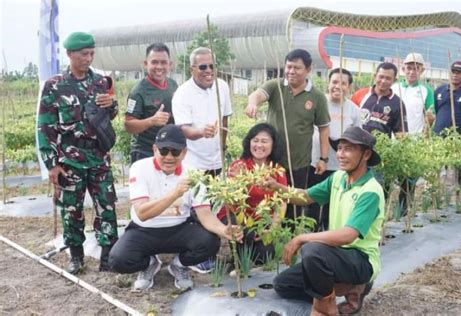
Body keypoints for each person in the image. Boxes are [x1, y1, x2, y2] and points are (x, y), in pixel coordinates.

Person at [264, 126, 385, 315]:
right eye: (340, 149)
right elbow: (304, 197)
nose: (341, 155)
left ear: (366, 154)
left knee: (312, 250)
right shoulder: (338, 178)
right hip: (335, 255)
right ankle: (350, 289)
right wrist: (276, 187)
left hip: (361, 259)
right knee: (284, 284)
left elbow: (348, 235)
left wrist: (302, 238)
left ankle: (326, 306)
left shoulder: (370, 191)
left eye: (349, 149)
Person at [108, 125, 242, 291]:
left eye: (175, 152)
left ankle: (179, 265)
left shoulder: (193, 173)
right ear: (155, 149)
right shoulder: (140, 168)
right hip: (144, 230)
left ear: (184, 153)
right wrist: (175, 193)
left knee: (210, 242)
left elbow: (205, 214)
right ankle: (150, 263)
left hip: (178, 229)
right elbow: (142, 213)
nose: (169, 157)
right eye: (163, 151)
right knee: (118, 260)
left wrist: (224, 230)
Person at [37, 32, 118, 274]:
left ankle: (107, 256)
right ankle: (76, 256)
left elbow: (107, 118)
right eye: (84, 54)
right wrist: (52, 164)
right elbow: (46, 126)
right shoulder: (55, 86)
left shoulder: (102, 82)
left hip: (99, 157)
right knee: (72, 209)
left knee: (107, 205)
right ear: (70, 54)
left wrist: (111, 106)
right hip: (71, 159)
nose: (89, 58)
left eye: (92, 53)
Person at [245, 49, 330, 221]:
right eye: (288, 67)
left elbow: (323, 128)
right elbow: (257, 95)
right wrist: (252, 104)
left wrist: (323, 158)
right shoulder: (275, 86)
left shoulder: (317, 97)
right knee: (267, 201)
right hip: (271, 161)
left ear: (308, 70)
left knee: (292, 204)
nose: (291, 71)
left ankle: (289, 240)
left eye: (297, 68)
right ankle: (265, 240)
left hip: (298, 163)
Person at [216, 123, 287, 264]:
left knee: (265, 256)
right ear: (249, 143)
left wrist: (272, 229)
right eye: (255, 140)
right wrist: (238, 181)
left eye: (264, 141)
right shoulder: (239, 166)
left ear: (273, 145)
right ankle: (237, 262)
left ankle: (249, 252)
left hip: (261, 221)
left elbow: (282, 201)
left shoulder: (277, 170)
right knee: (245, 232)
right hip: (237, 216)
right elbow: (231, 201)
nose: (259, 145)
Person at [309, 68, 361, 231]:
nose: (338, 86)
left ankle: (328, 237)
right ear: (328, 83)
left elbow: (358, 138)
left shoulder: (353, 110)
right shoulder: (318, 103)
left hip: (340, 168)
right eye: (334, 82)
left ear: (349, 87)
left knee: (333, 206)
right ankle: (312, 235)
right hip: (315, 164)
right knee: (313, 204)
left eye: (343, 83)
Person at [172, 47, 232, 177]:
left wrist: (222, 146)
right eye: (203, 67)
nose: (209, 70)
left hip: (218, 161)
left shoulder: (222, 86)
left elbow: (225, 119)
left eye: (212, 66)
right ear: (191, 69)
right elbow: (184, 129)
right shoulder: (182, 94)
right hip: (193, 164)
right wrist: (201, 132)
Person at [391, 53, 435, 216]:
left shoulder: (426, 91)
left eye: (416, 68)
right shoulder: (395, 88)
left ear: (422, 70)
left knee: (408, 181)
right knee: (388, 179)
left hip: (413, 144)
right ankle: (385, 211)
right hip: (392, 143)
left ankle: (402, 212)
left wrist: (430, 120)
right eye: (409, 68)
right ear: (403, 69)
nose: (412, 71)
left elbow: (430, 117)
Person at [125, 43, 178, 163]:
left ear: (170, 65)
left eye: (164, 62)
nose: (159, 67)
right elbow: (128, 125)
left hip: (168, 150)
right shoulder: (138, 91)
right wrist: (152, 121)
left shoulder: (173, 85)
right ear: (145, 64)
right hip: (144, 152)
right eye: (154, 62)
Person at [352, 62, 408, 137]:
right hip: (357, 145)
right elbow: (349, 120)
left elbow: (400, 133)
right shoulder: (360, 94)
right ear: (375, 76)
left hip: (381, 147)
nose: (383, 81)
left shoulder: (398, 103)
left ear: (394, 80)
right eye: (381, 77)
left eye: (388, 78)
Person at [433, 61, 461, 138]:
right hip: (437, 137)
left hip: (458, 138)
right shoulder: (439, 90)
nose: (455, 75)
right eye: (453, 71)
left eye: (459, 72)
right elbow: (436, 111)